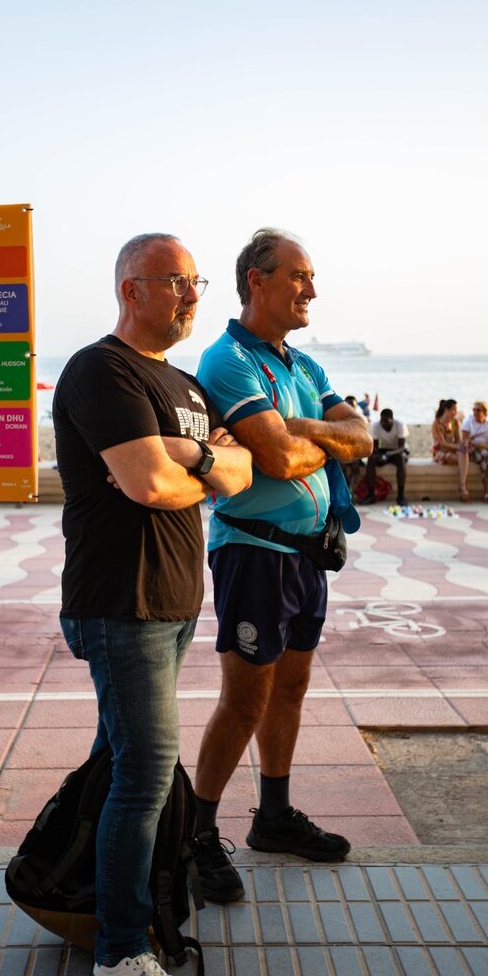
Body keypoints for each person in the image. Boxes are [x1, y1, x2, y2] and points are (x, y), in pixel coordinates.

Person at [52, 234, 251, 976]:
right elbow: (144, 483)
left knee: (122, 760)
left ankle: (64, 882)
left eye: (196, 282)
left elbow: (237, 474)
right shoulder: (100, 369)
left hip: (172, 600)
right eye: (177, 283)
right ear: (132, 289)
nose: (193, 296)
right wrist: (193, 466)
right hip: (117, 600)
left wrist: (189, 457)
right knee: (143, 773)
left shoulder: (186, 385)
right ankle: (120, 951)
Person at [190, 228, 372, 904]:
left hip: (306, 554)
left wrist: (301, 431)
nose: (312, 290)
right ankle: (198, 834)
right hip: (253, 552)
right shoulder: (227, 360)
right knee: (243, 701)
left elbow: (353, 440)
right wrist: (310, 440)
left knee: (289, 689)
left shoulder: (301, 365)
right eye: (298, 276)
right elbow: (275, 460)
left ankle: (272, 816)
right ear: (256, 281)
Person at [362, 407, 409, 506]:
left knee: (401, 460)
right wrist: (380, 455)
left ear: (392, 419)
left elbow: (402, 447)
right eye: (382, 421)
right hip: (384, 450)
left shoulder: (400, 425)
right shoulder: (375, 426)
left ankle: (400, 496)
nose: (384, 424)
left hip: (398, 451)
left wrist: (389, 454)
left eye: (386, 421)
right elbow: (375, 446)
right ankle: (371, 495)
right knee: (371, 459)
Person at [462, 401, 488, 502]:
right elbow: (464, 441)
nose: (475, 412)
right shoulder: (469, 423)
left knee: (485, 459)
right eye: (474, 410)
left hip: (486, 451)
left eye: (478, 410)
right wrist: (473, 442)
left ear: (485, 412)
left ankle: (487, 492)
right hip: (473, 450)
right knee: (487, 457)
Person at [431, 398, 470, 501]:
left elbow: (458, 440)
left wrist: (463, 444)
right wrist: (459, 447)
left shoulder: (455, 422)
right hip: (440, 451)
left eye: (456, 410)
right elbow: (443, 444)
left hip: (453, 449)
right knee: (463, 458)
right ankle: (463, 487)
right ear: (446, 410)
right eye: (453, 409)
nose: (455, 412)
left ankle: (462, 485)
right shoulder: (437, 424)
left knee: (464, 454)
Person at [341, 396, 364, 494]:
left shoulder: (360, 419)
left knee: (355, 467)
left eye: (352, 405)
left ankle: (349, 489)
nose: (350, 407)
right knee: (342, 466)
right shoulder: (338, 417)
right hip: (342, 449)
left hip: (356, 449)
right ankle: (345, 490)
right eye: (348, 405)